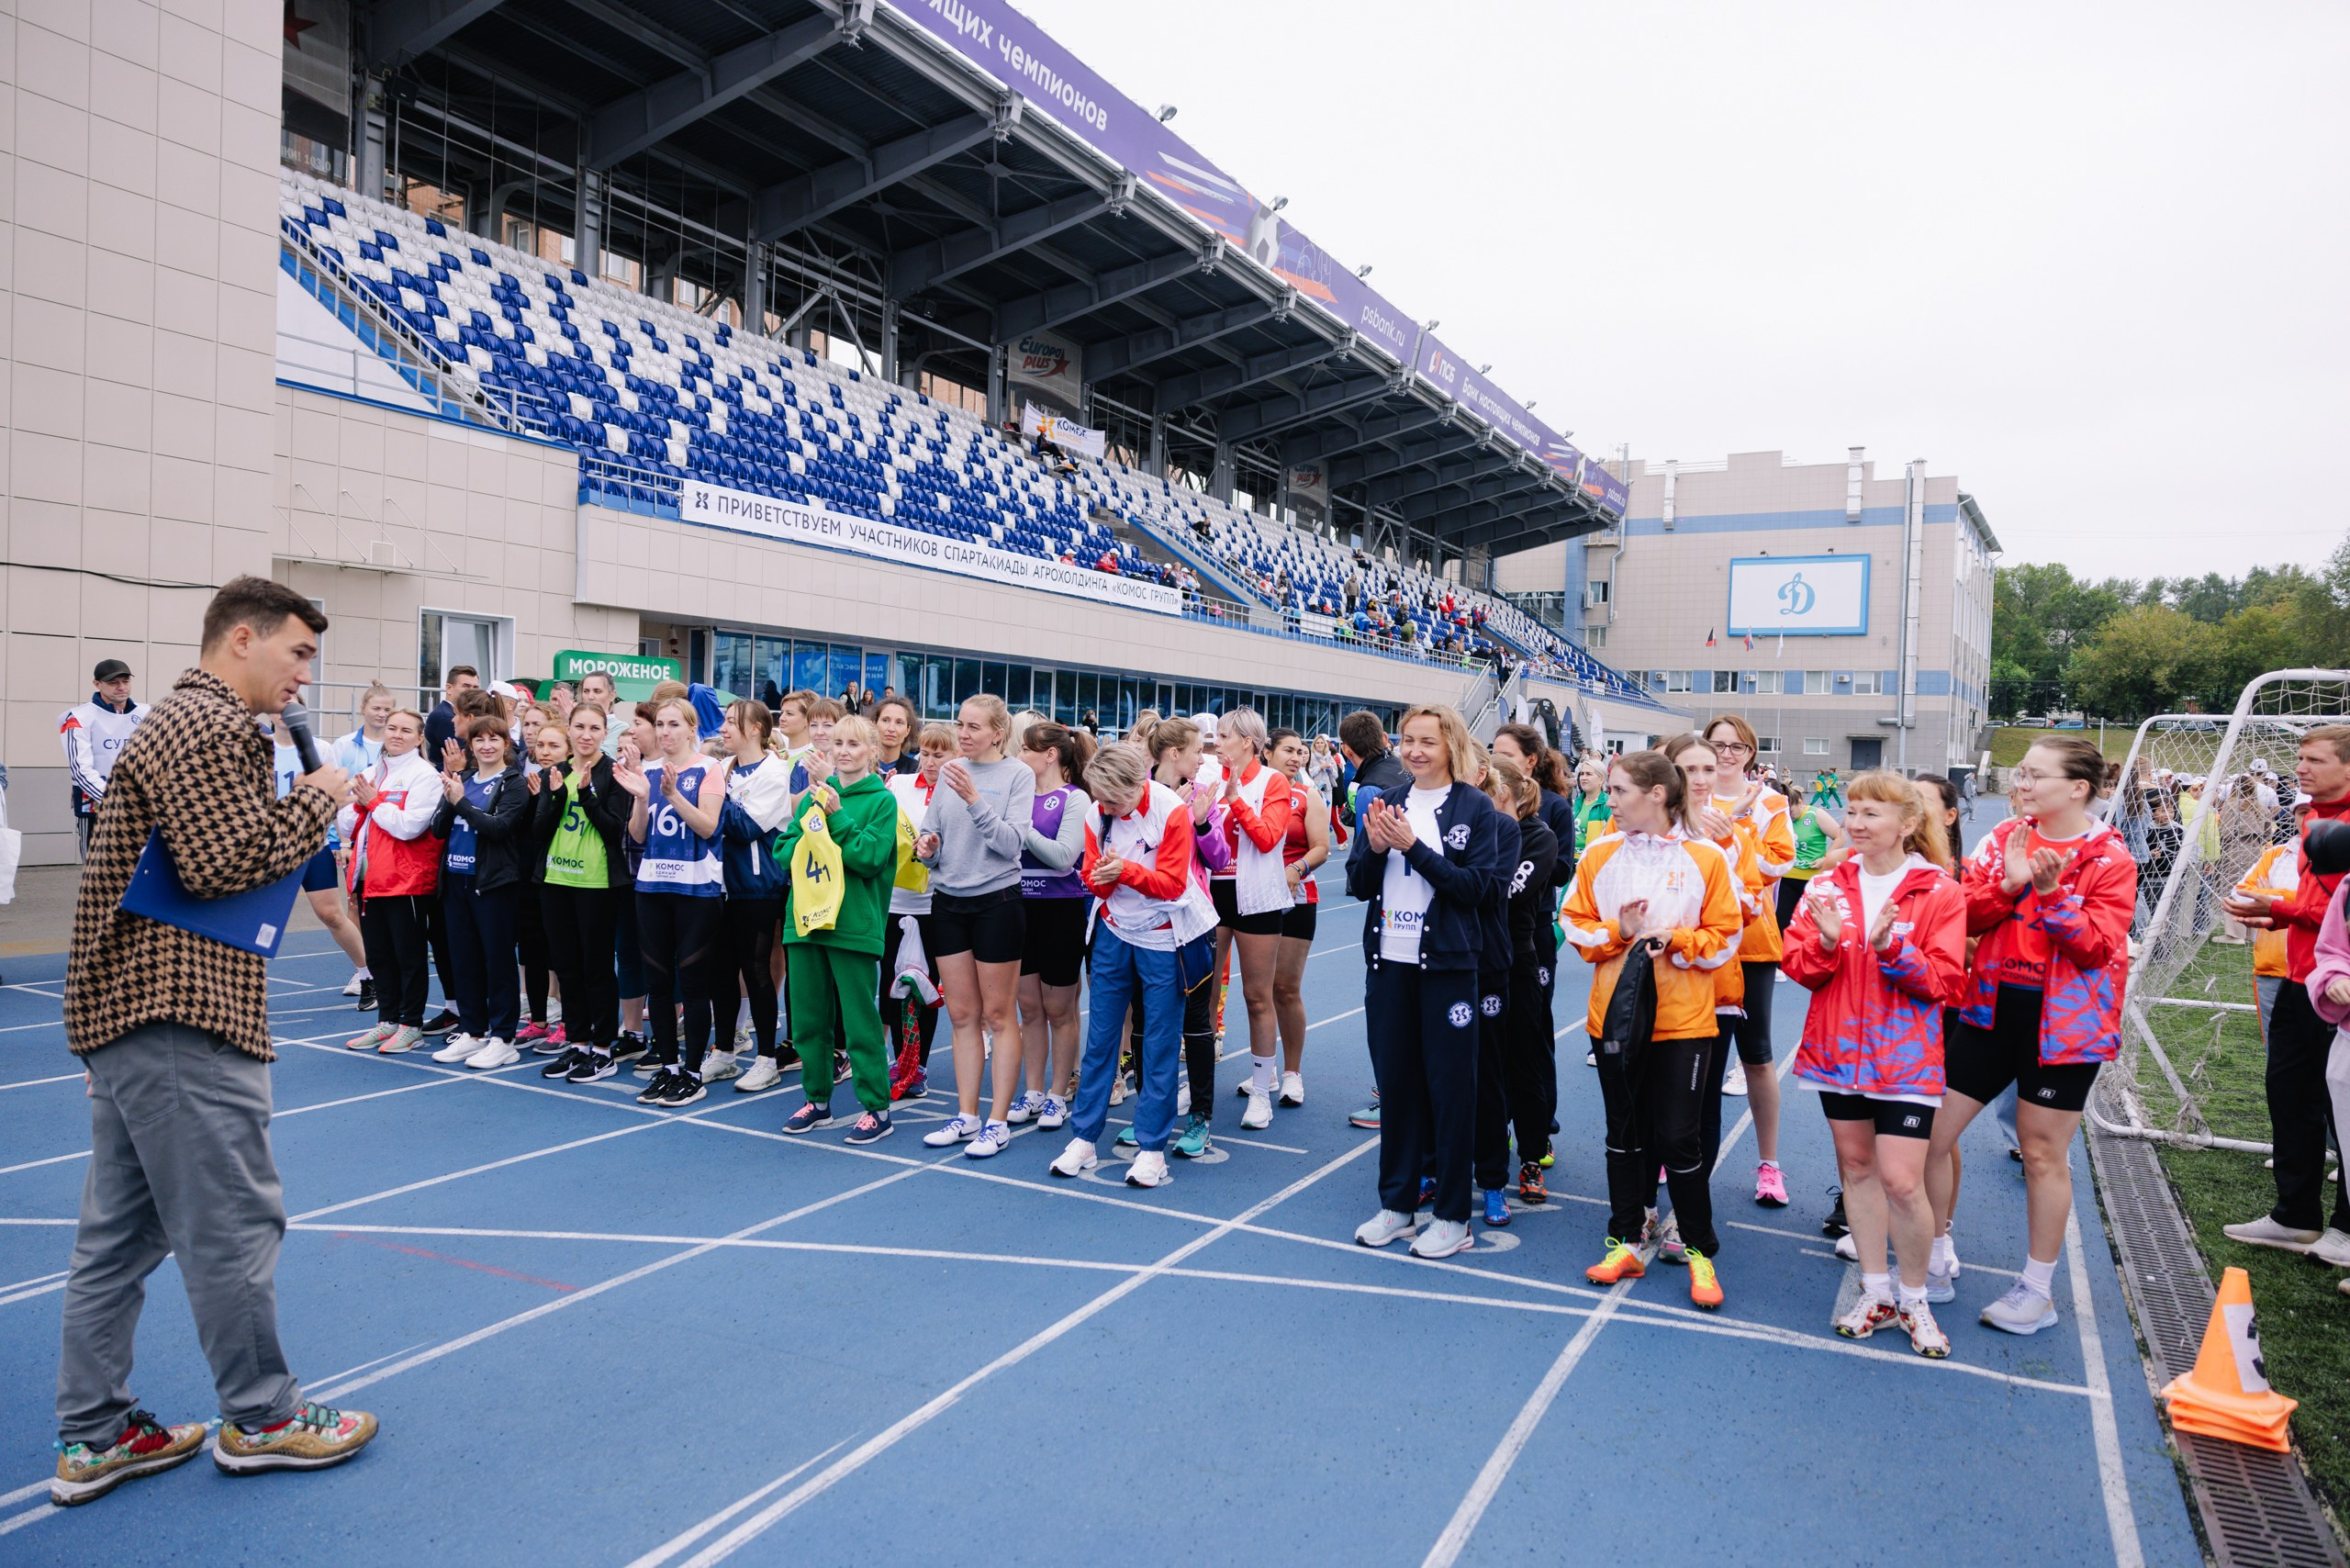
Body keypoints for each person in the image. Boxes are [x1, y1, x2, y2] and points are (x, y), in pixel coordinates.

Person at [55, 576, 375, 1507]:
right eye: (298, 653)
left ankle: (97, 1432)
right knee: (233, 1222)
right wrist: (316, 798)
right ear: (243, 637)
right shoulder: (212, 725)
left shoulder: (174, 724)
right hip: (179, 1014)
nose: (305, 678)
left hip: (133, 1011)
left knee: (119, 1236)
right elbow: (219, 861)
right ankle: (263, 1415)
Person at [1926, 736, 2136, 1334]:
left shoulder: (2109, 857)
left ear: (2078, 788)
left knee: (2042, 1154)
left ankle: (2037, 1291)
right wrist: (2011, 885)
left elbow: (2096, 947)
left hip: (2064, 1027)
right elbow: (1962, 914)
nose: (2023, 782)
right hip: (1991, 1010)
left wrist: (2049, 893)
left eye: (2037, 774)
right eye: (2022, 772)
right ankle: (1937, 1252)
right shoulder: (2002, 840)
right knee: (1930, 1134)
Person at [1782, 772, 1964, 1359]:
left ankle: (1916, 1298)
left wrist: (1894, 951)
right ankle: (1876, 1290)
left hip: (1906, 1060)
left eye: (1870, 815)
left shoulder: (1938, 891)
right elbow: (1798, 968)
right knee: (1857, 1169)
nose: (1855, 824)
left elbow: (1944, 983)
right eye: (1853, 813)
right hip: (1837, 1055)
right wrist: (1828, 945)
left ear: (1908, 825)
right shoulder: (1826, 887)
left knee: (1903, 1181)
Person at [1566, 749, 1743, 1309]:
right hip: (1614, 1017)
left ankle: (1698, 1249)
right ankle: (1624, 1237)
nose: (1610, 801)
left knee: (1676, 1137)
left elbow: (1727, 937)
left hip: (1683, 1021)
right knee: (1624, 1133)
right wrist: (1619, 930)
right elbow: (1574, 924)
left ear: (1658, 795)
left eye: (1619, 792)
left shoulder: (1707, 858)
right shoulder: (1598, 853)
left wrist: (1680, 941)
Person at [1348, 705, 1508, 1261]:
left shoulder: (1475, 807)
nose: (1415, 750)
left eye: (1427, 742)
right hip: (1388, 963)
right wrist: (1374, 848)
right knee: (1397, 1087)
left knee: (1450, 1092)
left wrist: (1414, 847)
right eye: (1407, 740)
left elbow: (1477, 890)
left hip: (1447, 966)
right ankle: (1397, 1205)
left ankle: (1453, 1216)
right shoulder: (1387, 802)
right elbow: (1359, 883)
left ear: (1451, 747)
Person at [1049, 743, 1218, 1189]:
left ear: (1136, 785)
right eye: (1098, 798)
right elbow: (1091, 876)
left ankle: (1151, 1148)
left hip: (1165, 933)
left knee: (1160, 1041)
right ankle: (1084, 1137)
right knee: (1101, 1036)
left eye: (1112, 800)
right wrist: (1100, 879)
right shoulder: (1095, 814)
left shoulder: (1169, 811)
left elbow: (1170, 884)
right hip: (1113, 930)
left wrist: (1121, 871)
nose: (1103, 807)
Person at [2221, 725, 2350, 1254]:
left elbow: (2335, 914)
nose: (2301, 768)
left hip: (2339, 994)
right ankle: (2295, 1215)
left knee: (2340, 1105)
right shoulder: (2314, 820)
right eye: (2299, 758)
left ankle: (2344, 1228)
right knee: (2289, 1094)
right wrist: (2279, 915)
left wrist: (2278, 909)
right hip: (2299, 981)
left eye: (2314, 759)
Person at [917, 695, 1036, 1158]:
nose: (963, 734)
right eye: (960, 724)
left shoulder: (1017, 776)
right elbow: (933, 834)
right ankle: (966, 1115)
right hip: (947, 902)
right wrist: (928, 846)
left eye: (973, 727)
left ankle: (998, 1121)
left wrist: (973, 799)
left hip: (997, 904)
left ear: (998, 733)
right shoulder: (948, 772)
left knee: (999, 1015)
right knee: (962, 1015)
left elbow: (1011, 845)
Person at [778, 715, 903, 1144]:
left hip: (852, 926)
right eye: (838, 743)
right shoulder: (815, 798)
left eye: (854, 744)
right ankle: (817, 1100)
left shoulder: (882, 801)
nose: (845, 750)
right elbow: (783, 850)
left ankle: (877, 1108)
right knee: (809, 1021)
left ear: (871, 750)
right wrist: (811, 831)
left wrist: (837, 818)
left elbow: (870, 857)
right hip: (806, 923)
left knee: (859, 1022)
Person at [1700, 713, 1797, 1208]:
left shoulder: (1771, 801)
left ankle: (1769, 1164)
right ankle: (1678, 1151)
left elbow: (1781, 862)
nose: (1727, 753)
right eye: (1718, 744)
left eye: (1737, 746)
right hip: (1697, 942)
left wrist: (1735, 828)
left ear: (1752, 752)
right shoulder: (1687, 796)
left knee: (1756, 1054)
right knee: (1693, 1056)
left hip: (1752, 942)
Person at [614, 696, 725, 1106]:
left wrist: (675, 795)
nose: (665, 732)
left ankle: (694, 1071)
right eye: (660, 724)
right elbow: (639, 836)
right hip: (652, 888)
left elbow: (709, 826)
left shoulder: (709, 769)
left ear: (692, 728)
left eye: (674, 724)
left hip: (696, 890)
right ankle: (669, 1067)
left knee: (693, 984)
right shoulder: (647, 771)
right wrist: (644, 797)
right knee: (657, 985)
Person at [1476, 753, 1559, 1215]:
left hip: (1519, 961)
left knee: (1523, 1062)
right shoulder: (1475, 831)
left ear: (1501, 792)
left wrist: (1467, 885)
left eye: (1482, 791)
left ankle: (1531, 1157)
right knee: (1482, 1065)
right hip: (1477, 962)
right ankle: (1483, 1154)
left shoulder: (1537, 836)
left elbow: (1506, 894)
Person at [531, 704, 632, 1083]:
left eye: (594, 728)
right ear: (569, 731)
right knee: (567, 966)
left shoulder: (614, 774)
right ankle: (578, 1042)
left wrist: (587, 794)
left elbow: (613, 830)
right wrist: (556, 797)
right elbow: (539, 833)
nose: (585, 734)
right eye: (579, 727)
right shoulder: (553, 772)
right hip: (556, 881)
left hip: (596, 884)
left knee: (597, 968)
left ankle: (603, 1048)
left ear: (604, 731)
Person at [1208, 708, 1297, 1132]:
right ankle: (1199, 1084)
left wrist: (1235, 800)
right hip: (1211, 895)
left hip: (1257, 896)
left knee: (1257, 997)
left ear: (1246, 742)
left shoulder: (1272, 781)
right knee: (1202, 995)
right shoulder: (1208, 774)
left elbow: (1267, 839)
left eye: (1224, 736)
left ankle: (1261, 1091)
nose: (1217, 742)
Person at [424, 716, 531, 1069]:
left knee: (497, 960)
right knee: (463, 959)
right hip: (456, 880)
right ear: (470, 746)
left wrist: (462, 803)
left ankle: (503, 1037)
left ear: (506, 744)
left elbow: (499, 828)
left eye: (494, 739)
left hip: (493, 883)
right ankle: (472, 1031)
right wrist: (449, 796)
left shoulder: (513, 783)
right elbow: (439, 830)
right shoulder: (465, 779)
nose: (486, 745)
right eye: (479, 740)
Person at [339, 710, 445, 1056]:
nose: (396, 735)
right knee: (380, 955)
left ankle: (411, 1024)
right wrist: (359, 807)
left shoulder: (424, 776)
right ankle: (387, 1019)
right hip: (369, 878)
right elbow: (343, 824)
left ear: (419, 738)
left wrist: (373, 802)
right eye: (392, 728)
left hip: (407, 880)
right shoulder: (371, 772)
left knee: (408, 956)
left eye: (406, 730)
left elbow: (410, 826)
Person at [1013, 720, 1094, 1128]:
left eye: (1026, 749)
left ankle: (1057, 1094)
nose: (1019, 756)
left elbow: (1063, 857)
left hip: (1060, 909)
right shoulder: (1019, 794)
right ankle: (1031, 1091)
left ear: (1050, 755)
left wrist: (1021, 828)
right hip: (1019, 907)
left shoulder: (1074, 798)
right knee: (1028, 1008)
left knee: (1059, 1009)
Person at [717, 700, 795, 1092]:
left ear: (755, 729)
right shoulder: (723, 769)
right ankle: (725, 1051)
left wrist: (711, 803)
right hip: (721, 886)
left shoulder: (774, 773)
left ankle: (766, 1058)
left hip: (759, 888)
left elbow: (746, 827)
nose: (724, 727)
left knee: (757, 970)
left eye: (732, 721)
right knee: (722, 972)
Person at [260, 714, 368, 993]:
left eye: (292, 705)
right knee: (259, 920)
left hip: (313, 845)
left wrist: (342, 841)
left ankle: (367, 974)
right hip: (272, 848)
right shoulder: (258, 747)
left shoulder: (319, 750)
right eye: (280, 706)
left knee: (331, 914)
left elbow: (334, 796)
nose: (284, 712)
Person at [885, 722, 954, 1099]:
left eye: (939, 755)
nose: (929, 762)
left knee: (924, 989)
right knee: (892, 987)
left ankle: (920, 1065)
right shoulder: (897, 785)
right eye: (925, 753)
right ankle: (900, 1059)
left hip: (936, 907)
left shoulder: (959, 793)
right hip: (893, 903)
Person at [1268, 728, 1331, 1107]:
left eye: (1301, 752)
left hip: (1297, 899)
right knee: (1256, 992)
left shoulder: (1308, 795)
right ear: (1267, 752)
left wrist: (1297, 869)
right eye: (1288, 750)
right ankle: (1264, 1069)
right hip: (1252, 902)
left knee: (1285, 988)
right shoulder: (1249, 791)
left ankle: (1292, 1072)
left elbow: (1322, 847)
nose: (1296, 757)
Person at [331, 684, 397, 1006]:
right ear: (364, 709)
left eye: (387, 709)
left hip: (387, 833)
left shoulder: (396, 743)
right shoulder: (344, 746)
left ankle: (385, 967)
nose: (382, 714)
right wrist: (340, 840)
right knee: (356, 903)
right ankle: (364, 970)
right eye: (376, 708)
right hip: (354, 835)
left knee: (385, 903)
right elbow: (336, 793)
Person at [60, 656, 148, 860]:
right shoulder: (78, 717)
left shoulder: (147, 713)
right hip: (95, 807)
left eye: (125, 681)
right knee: (96, 871)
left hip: (141, 807)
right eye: (113, 682)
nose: (121, 687)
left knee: (140, 872)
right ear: (97, 684)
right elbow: (80, 770)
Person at [2234, 804, 2306, 1042]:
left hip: (2324, 972)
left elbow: (2330, 903)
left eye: (2317, 809)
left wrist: (2273, 897)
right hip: (2272, 968)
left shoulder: (2340, 857)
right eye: (2303, 812)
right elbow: (2239, 894)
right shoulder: (2276, 854)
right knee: (2276, 1054)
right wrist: (2289, 899)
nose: (2310, 818)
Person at [1774, 781, 1846, 934]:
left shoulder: (1815, 814)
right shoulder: (1783, 818)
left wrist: (1826, 858)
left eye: (1791, 811)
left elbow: (1840, 837)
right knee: (1782, 922)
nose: (1789, 816)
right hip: (1787, 878)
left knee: (1812, 924)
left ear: (1799, 802)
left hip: (1811, 879)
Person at [422, 664, 481, 764]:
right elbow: (470, 754)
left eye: (475, 687)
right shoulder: (444, 717)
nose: (472, 691)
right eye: (466, 686)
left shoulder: (450, 713)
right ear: (449, 688)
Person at [874, 694, 921, 776]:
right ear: (874, 725)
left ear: (907, 730)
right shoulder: (859, 768)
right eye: (885, 720)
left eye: (899, 722)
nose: (891, 729)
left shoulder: (916, 771)